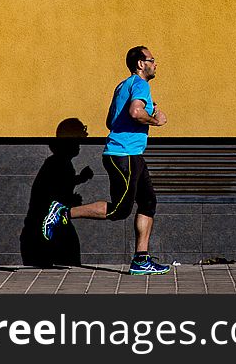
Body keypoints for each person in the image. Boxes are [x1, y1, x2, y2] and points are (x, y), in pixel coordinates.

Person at [41, 46, 170, 275]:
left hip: (131, 155)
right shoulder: (140, 85)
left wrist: (150, 108)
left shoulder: (123, 86)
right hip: (124, 155)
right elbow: (135, 112)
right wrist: (154, 120)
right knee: (119, 210)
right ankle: (62, 212)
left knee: (148, 203)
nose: (155, 63)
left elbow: (111, 121)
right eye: (152, 59)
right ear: (141, 64)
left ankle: (141, 259)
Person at [20, 118, 93, 267]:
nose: (80, 146)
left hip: (44, 230)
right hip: (44, 233)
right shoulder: (59, 164)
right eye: (78, 140)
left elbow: (58, 184)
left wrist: (79, 179)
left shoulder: (58, 162)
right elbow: (53, 192)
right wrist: (71, 199)